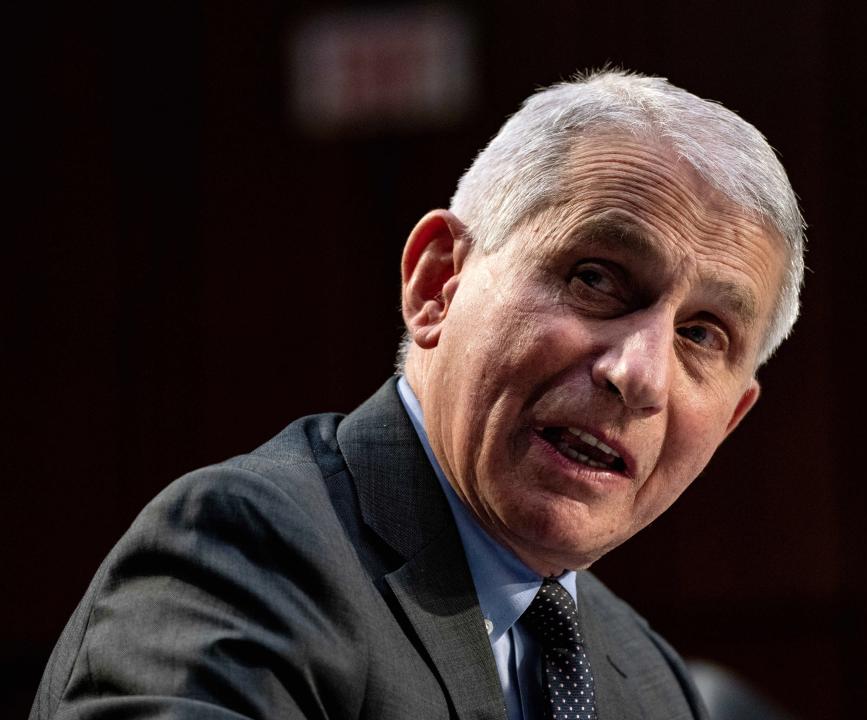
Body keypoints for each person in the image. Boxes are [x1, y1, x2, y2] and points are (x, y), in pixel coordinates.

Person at [31, 70, 805, 720]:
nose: (638, 375)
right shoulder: (247, 555)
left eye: (702, 335)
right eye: (595, 278)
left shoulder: (652, 686)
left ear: (731, 420)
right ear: (438, 284)